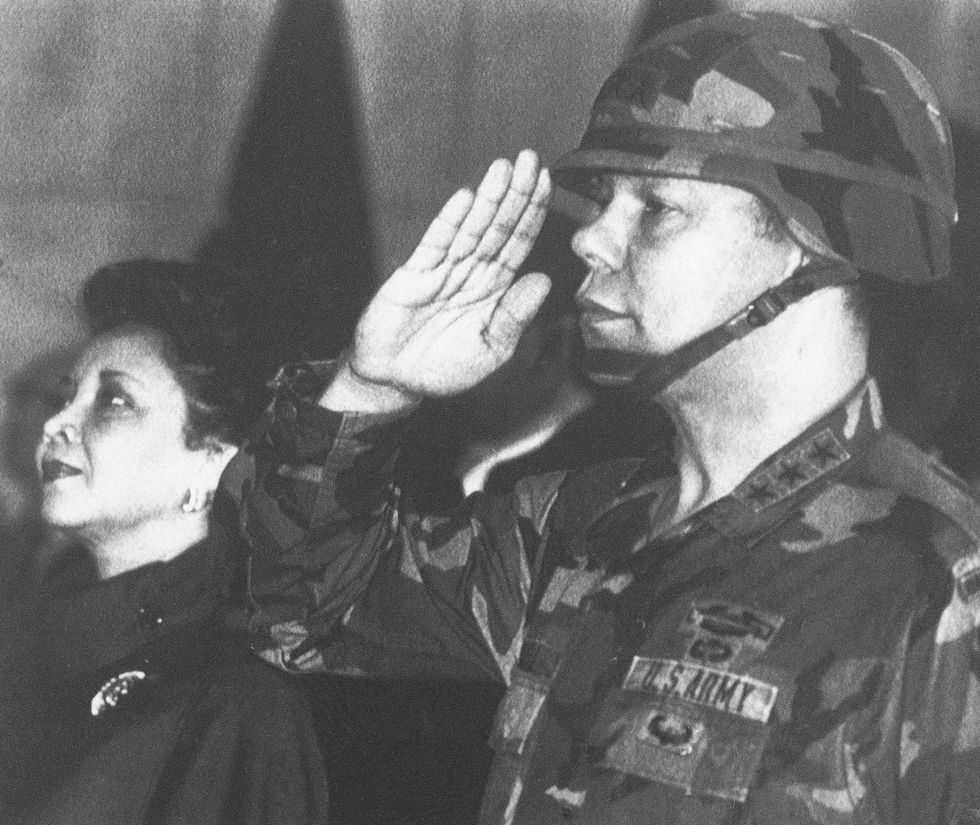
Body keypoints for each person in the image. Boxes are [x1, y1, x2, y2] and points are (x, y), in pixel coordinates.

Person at [241, 12, 980, 823]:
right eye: (604, 199)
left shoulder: (937, 582)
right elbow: (301, 613)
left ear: (812, 247)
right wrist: (371, 390)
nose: (590, 237)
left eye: (656, 206)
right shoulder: (583, 521)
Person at [12, 259, 330, 825]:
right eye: (68, 395)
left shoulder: (236, 702)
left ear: (213, 464)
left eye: (113, 401)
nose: (56, 422)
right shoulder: (28, 632)